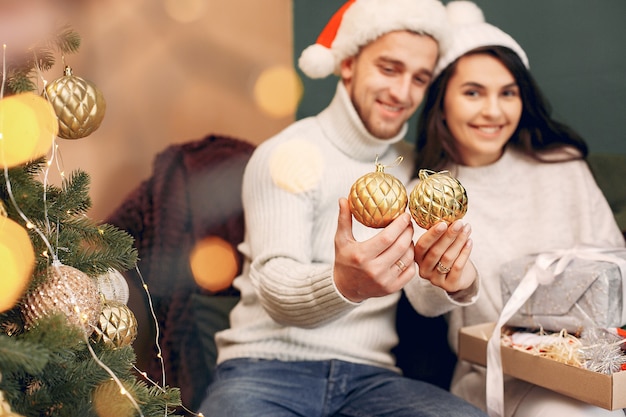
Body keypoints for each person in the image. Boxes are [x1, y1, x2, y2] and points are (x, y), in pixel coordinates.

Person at [197, 0, 488, 416]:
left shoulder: (420, 174)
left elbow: (422, 297)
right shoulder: (286, 154)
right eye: (389, 69)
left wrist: (454, 279)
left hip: (370, 379)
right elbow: (275, 287)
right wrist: (344, 284)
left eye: (420, 78)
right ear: (348, 63)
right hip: (263, 370)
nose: (403, 93)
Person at [408, 2, 626, 417]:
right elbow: (425, 300)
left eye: (508, 93)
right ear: (443, 102)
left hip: (592, 362)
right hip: (498, 373)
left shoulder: (561, 166)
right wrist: (451, 280)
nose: (494, 111)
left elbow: (613, 270)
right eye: (473, 93)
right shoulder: (430, 192)